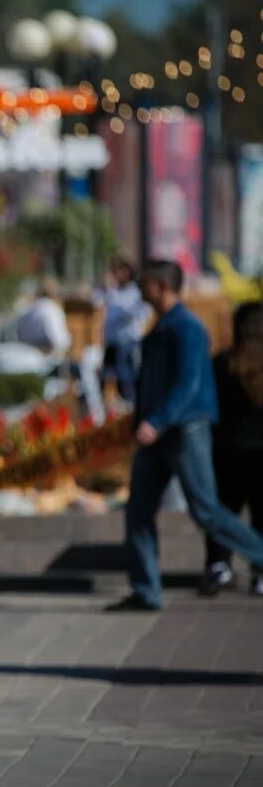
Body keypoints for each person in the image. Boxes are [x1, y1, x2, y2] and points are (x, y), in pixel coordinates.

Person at [107, 260, 263, 612]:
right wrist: (139, 419)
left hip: (184, 429)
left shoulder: (187, 329)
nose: (139, 289)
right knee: (139, 511)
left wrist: (157, 420)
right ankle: (146, 591)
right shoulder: (161, 328)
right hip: (156, 431)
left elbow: (188, 384)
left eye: (145, 283)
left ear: (162, 286)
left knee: (206, 510)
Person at [201, 302, 263, 596]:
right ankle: (260, 573)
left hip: (227, 451)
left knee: (224, 511)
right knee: (262, 514)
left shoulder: (223, 362)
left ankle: (219, 565)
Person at [100, 255, 151, 404]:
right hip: (112, 341)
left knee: (127, 379)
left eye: (119, 271)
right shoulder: (112, 291)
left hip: (127, 341)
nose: (116, 275)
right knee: (107, 378)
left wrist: (125, 315)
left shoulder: (135, 292)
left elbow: (143, 313)